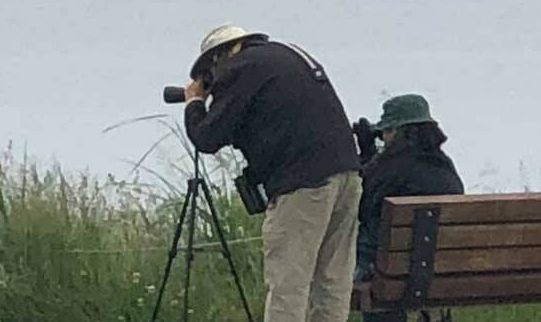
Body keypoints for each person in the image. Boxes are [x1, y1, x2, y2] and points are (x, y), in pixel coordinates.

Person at [182, 24, 362, 322]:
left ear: (217, 59)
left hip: (303, 184)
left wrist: (195, 102)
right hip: (347, 175)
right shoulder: (288, 55)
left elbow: (207, 138)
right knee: (332, 280)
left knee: (288, 283)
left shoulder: (239, 68)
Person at [355, 94, 464, 322]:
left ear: (398, 132)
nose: (383, 138)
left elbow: (362, 209)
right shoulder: (445, 166)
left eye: (385, 132)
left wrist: (367, 154)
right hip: (441, 273)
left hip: (390, 274)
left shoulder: (390, 168)